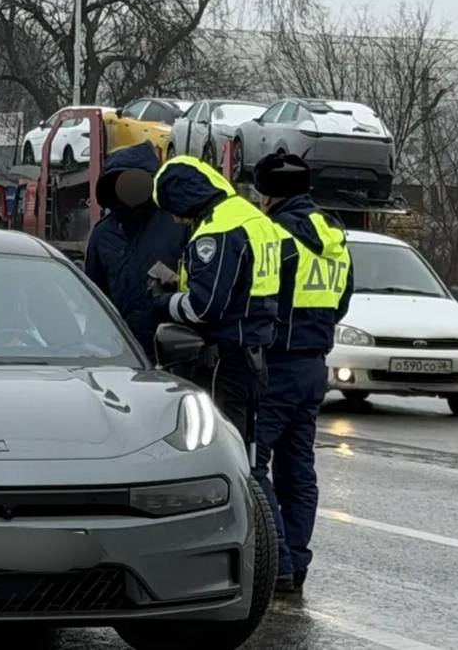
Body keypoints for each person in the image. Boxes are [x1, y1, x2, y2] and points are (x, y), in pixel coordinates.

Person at [252, 153, 354, 596]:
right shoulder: (334, 234)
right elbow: (343, 299)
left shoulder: (275, 234)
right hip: (315, 362)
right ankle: (297, 559)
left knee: (253, 466)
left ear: (269, 192)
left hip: (276, 363)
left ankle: (279, 563)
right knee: (299, 471)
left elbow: (261, 297)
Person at [150, 155, 282, 454]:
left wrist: (164, 301)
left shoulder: (216, 229)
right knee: (246, 451)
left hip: (224, 362)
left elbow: (204, 308)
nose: (174, 219)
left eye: (171, 208)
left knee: (218, 452)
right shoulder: (252, 218)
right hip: (255, 355)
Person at [84, 142, 187, 361]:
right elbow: (93, 295)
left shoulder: (177, 224)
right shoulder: (103, 234)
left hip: (170, 348)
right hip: (117, 349)